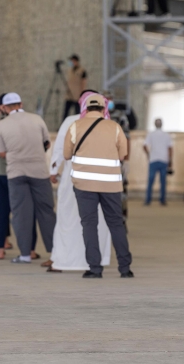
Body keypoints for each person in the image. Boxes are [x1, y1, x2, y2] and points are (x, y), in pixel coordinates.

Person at [63, 93, 133, 279]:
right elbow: (123, 155)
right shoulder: (115, 127)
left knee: (89, 225)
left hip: (84, 185)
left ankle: (95, 269)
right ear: (104, 109)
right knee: (116, 223)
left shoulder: (75, 126)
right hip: (111, 185)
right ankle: (125, 268)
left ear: (85, 109)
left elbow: (66, 155)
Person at [50, 91, 112, 272]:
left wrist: (53, 170)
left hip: (74, 178)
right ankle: (93, 261)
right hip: (101, 179)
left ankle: (65, 260)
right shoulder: (107, 122)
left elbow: (60, 148)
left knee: (68, 219)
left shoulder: (71, 121)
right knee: (95, 220)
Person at [0, 92, 56, 265]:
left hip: (16, 173)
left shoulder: (1, 124)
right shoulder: (37, 119)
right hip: (39, 171)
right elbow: (46, 143)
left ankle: (25, 255)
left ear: (4, 108)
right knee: (46, 212)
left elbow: (1, 152)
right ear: (20, 104)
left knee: (21, 214)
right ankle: (55, 253)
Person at [0, 94, 18, 258]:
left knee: (0, 211)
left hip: (2, 172)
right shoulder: (30, 121)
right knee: (25, 212)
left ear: (2, 107)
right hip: (24, 170)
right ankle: (30, 250)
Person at [107, 92, 130, 225]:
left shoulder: (120, 117)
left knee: (121, 191)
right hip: (102, 161)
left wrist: (126, 160)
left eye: (110, 99)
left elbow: (127, 138)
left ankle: (122, 220)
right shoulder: (98, 117)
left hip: (118, 161)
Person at [144, 118, 173, 205]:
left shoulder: (151, 134)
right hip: (164, 160)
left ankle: (148, 200)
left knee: (150, 181)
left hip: (153, 159)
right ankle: (162, 200)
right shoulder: (166, 135)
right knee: (163, 181)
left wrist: (148, 154)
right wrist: (170, 160)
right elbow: (170, 148)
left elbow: (144, 145)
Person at [64, 54, 88, 119]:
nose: (71, 63)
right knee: (66, 112)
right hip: (69, 95)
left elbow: (84, 82)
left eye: (72, 61)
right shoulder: (69, 70)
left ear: (76, 61)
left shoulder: (82, 71)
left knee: (77, 113)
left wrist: (82, 94)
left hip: (77, 95)